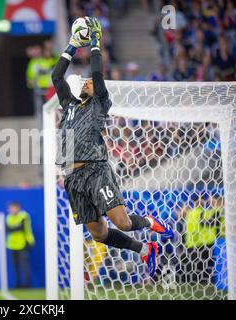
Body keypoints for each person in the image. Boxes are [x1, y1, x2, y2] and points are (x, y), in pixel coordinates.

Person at [51, 18, 174, 277]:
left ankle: (149, 222)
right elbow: (55, 75)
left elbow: (97, 72)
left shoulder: (100, 103)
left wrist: (95, 44)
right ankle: (143, 250)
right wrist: (73, 44)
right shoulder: (69, 105)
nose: (86, 82)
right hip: (72, 178)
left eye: (89, 82)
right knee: (99, 234)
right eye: (83, 82)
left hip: (96, 170)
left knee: (122, 222)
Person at [5, 202, 35, 289]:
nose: (12, 210)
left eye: (14, 208)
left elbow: (20, 227)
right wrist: (14, 227)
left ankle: (27, 284)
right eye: (10, 208)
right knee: (15, 266)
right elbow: (9, 229)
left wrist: (14, 227)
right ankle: (18, 284)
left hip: (24, 243)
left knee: (24, 265)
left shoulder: (24, 216)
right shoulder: (9, 217)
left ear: (18, 207)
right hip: (12, 245)